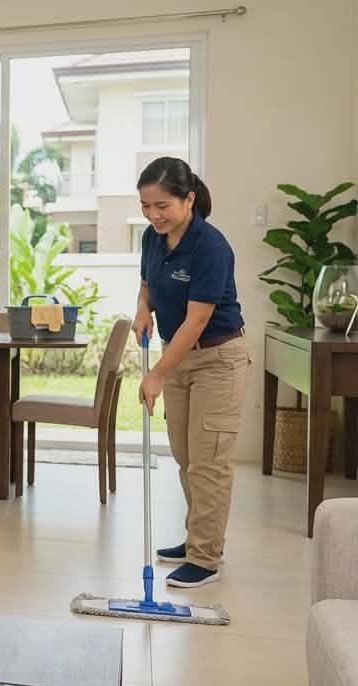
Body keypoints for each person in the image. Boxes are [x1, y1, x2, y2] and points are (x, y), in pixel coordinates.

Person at [133, 156, 248, 588]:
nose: (153, 215)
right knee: (185, 457)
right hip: (177, 356)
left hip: (217, 359)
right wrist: (142, 310)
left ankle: (205, 556)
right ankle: (197, 536)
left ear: (189, 199)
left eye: (162, 205)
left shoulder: (211, 246)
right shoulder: (151, 238)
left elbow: (197, 321)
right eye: (146, 206)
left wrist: (157, 373)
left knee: (209, 462)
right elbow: (147, 283)